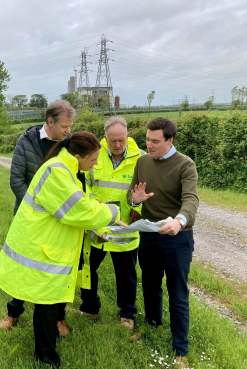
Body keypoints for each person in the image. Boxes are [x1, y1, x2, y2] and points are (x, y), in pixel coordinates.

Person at [0, 132, 123, 368]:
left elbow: (80, 203)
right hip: (41, 249)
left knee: (47, 303)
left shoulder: (65, 168)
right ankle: (45, 356)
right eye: (92, 160)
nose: (95, 164)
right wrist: (113, 212)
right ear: (77, 156)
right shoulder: (57, 171)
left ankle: (45, 350)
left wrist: (100, 218)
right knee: (47, 303)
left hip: (45, 246)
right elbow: (78, 211)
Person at [127, 117, 199, 368]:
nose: (149, 145)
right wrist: (135, 200)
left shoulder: (185, 165)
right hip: (149, 234)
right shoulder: (142, 161)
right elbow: (131, 195)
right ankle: (153, 327)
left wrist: (179, 221)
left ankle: (180, 349)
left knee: (177, 293)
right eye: (147, 139)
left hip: (177, 237)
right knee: (149, 285)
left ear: (170, 140)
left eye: (155, 141)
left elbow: (191, 200)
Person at [0, 100, 74, 335]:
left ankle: (58, 317)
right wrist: (37, 211)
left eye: (71, 126)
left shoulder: (68, 145)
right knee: (26, 266)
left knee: (56, 269)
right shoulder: (26, 142)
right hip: (29, 218)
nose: (68, 131)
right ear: (50, 122)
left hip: (59, 221)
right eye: (64, 126)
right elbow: (16, 181)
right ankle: (14, 312)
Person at [79, 116, 144, 333]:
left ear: (128, 136)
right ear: (105, 138)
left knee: (126, 274)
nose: (117, 145)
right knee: (88, 267)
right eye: (112, 141)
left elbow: (146, 193)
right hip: (97, 225)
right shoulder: (94, 156)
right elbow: (84, 188)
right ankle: (89, 307)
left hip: (125, 226)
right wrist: (93, 208)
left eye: (121, 141)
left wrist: (138, 208)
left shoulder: (141, 159)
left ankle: (127, 314)